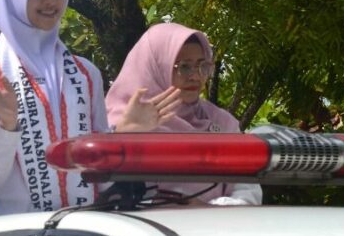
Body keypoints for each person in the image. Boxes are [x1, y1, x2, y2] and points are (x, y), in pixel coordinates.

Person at [0, 0, 180, 215]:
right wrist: (6, 125)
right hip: (18, 228)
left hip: (84, 225)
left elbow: (100, 179)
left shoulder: (85, 74)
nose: (51, 1)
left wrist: (122, 134)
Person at [105, 22, 263, 206]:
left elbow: (248, 192)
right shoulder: (115, 123)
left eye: (203, 66)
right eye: (185, 67)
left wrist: (207, 210)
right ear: (155, 67)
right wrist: (122, 136)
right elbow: (97, 191)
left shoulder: (222, 123)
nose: (196, 76)